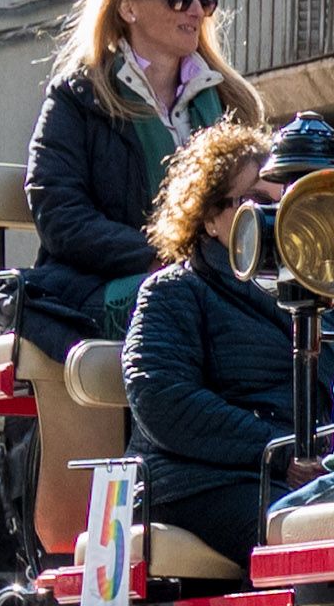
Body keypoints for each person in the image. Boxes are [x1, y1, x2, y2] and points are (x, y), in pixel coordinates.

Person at [11, 0, 265, 362]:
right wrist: (161, 257)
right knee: (193, 302)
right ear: (128, 7)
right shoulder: (78, 97)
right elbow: (61, 217)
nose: (197, 11)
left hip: (218, 277)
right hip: (103, 283)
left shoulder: (230, 102)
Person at [120, 123, 293, 568]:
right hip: (195, 483)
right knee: (312, 526)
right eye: (252, 201)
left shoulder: (317, 297)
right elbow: (162, 400)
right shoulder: (173, 291)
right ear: (209, 217)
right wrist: (279, 452)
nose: (273, 215)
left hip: (285, 478)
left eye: (282, 200)